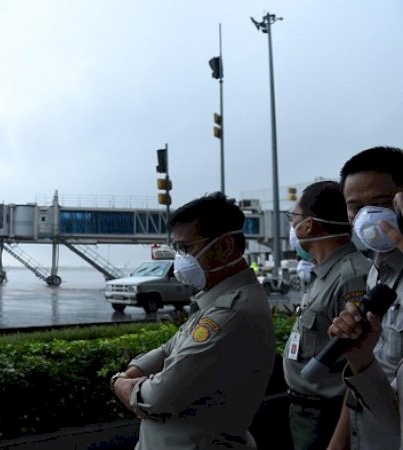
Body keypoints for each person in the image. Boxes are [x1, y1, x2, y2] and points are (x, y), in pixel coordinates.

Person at [110, 192, 275, 449]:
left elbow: (159, 397)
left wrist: (123, 386)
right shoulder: (216, 300)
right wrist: (132, 373)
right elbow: (169, 349)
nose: (180, 259)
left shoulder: (230, 313)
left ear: (225, 247)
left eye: (186, 248)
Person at [281, 181, 371, 450]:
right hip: (307, 411)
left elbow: (360, 360)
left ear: (309, 224)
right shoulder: (324, 273)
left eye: (293, 218)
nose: (292, 227)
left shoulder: (351, 276)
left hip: (329, 415)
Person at [327, 146, 403, 450]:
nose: (366, 217)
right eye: (354, 207)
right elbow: (372, 374)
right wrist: (360, 360)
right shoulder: (376, 272)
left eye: (381, 203)